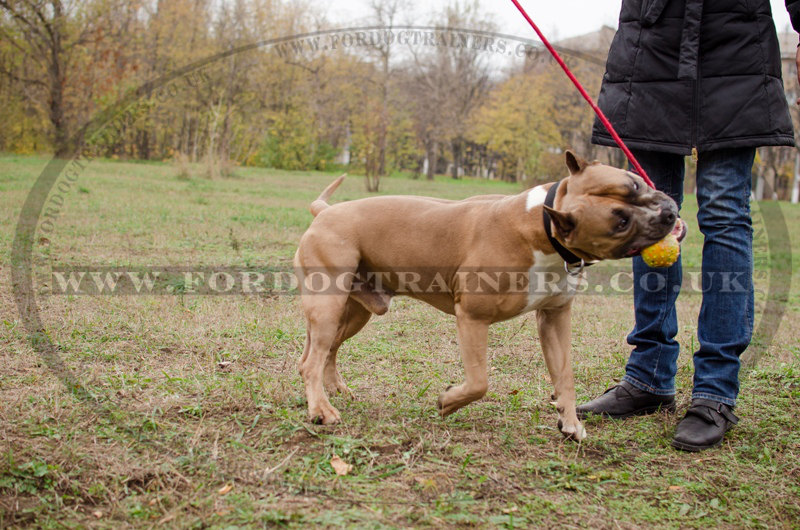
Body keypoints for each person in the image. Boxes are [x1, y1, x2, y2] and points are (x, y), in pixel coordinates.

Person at [577, 0, 800, 451]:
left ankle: (715, 391)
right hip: (652, 43)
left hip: (735, 40)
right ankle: (649, 376)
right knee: (650, 212)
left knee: (723, 210)